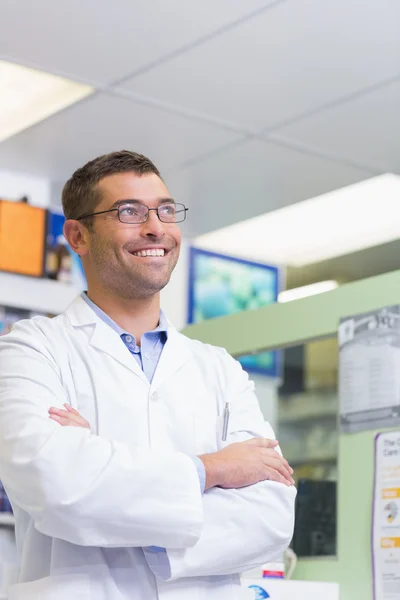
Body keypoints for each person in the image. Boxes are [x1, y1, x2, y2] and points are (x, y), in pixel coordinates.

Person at [0, 151, 296, 600]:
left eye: (165, 210)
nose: (156, 227)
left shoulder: (220, 369)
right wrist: (214, 469)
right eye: (129, 212)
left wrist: (100, 462)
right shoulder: (30, 349)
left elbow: (272, 516)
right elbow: (56, 484)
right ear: (78, 235)